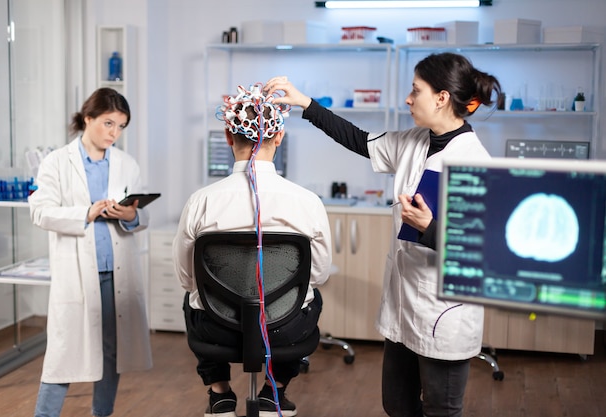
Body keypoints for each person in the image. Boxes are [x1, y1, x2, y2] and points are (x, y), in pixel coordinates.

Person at [265, 52, 502, 417]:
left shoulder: (475, 162)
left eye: (415, 90)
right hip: (404, 305)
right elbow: (358, 140)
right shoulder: (413, 141)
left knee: (441, 409)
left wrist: (430, 229)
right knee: (397, 405)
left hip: (445, 312)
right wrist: (305, 104)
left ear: (441, 98)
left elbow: (484, 252)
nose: (408, 99)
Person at [172, 84, 332, 417]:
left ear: (229, 137)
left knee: (191, 299)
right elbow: (318, 274)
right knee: (312, 297)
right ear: (279, 137)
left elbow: (187, 279)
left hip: (217, 329)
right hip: (284, 330)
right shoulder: (307, 202)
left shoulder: (201, 201)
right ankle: (276, 390)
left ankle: (219, 392)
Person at [29, 87, 153, 417]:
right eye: (108, 123)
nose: (115, 133)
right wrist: (85, 212)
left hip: (116, 272)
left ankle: (102, 413)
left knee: (112, 352)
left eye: (121, 127)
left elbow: (141, 216)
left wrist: (131, 215)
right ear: (88, 119)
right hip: (77, 273)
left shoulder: (126, 164)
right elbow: (40, 211)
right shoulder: (57, 162)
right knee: (62, 353)